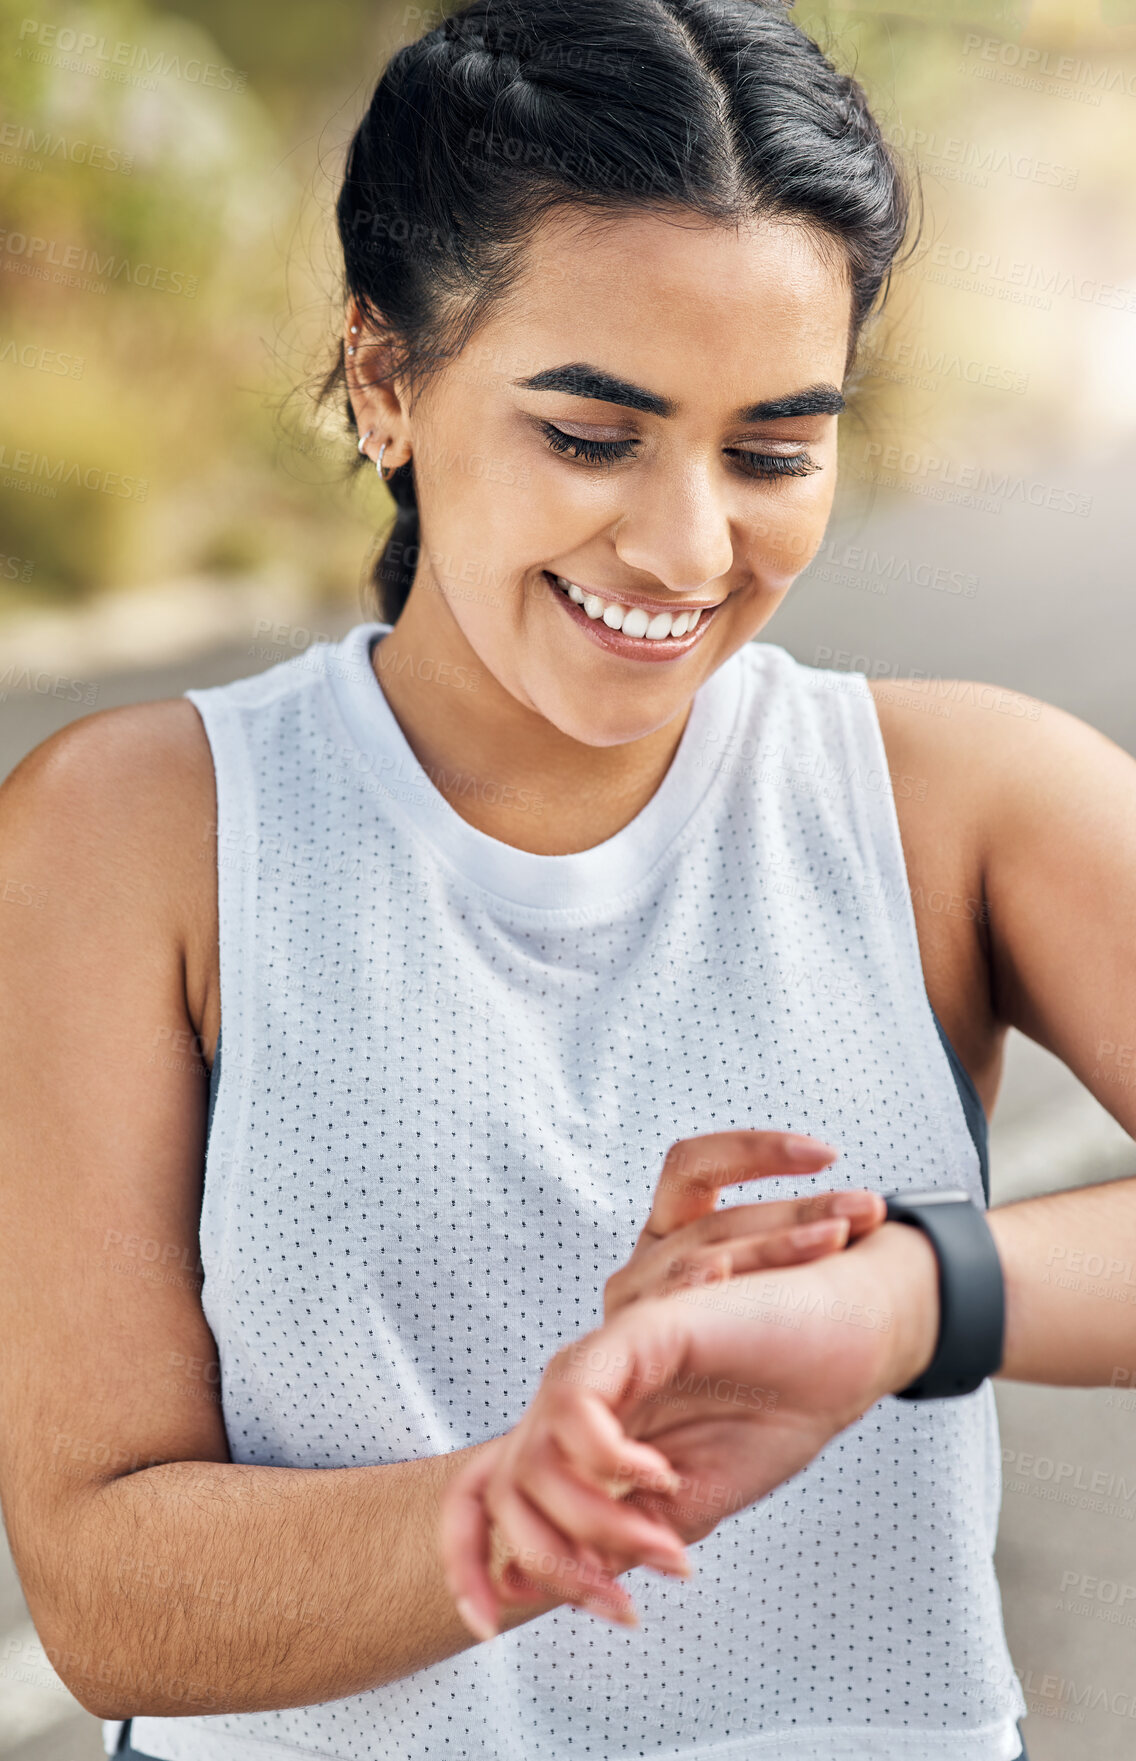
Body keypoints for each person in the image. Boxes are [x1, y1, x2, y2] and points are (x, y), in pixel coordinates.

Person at [1, 0, 1133, 1757]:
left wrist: (899, 1293)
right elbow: (106, 1593)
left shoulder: (962, 801)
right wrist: (514, 1511)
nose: (690, 546)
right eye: (593, 436)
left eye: (773, 449)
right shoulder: (134, 830)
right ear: (386, 379)